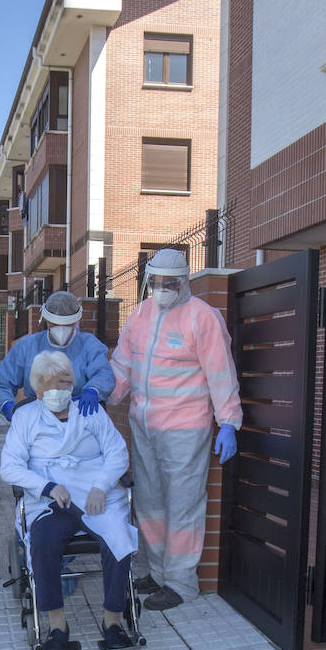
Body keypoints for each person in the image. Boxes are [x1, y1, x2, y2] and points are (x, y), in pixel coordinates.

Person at [110, 248, 241, 611]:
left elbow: (220, 372)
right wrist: (102, 394)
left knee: (182, 505)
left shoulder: (203, 318)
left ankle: (182, 583)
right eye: (156, 282)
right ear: (148, 281)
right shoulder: (140, 315)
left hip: (185, 427)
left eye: (170, 283)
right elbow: (122, 365)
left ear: (184, 281)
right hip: (144, 424)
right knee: (149, 503)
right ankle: (157, 570)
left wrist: (228, 421)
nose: (162, 288)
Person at [0, 349, 138, 650]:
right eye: (51, 385)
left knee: (118, 538)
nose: (60, 390)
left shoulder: (91, 412)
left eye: (65, 382)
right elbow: (9, 467)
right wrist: (47, 486)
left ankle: (113, 620)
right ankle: (57, 625)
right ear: (38, 391)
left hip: (95, 496)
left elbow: (117, 452)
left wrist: (101, 486)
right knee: (44, 542)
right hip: (53, 501)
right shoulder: (25, 417)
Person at [0, 290, 114, 421]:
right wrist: (7, 405)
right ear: (46, 321)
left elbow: (104, 373)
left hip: (81, 416)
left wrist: (93, 390)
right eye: (55, 324)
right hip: (38, 420)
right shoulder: (27, 347)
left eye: (67, 324)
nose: (61, 329)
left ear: (77, 321)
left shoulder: (90, 345)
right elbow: (2, 382)